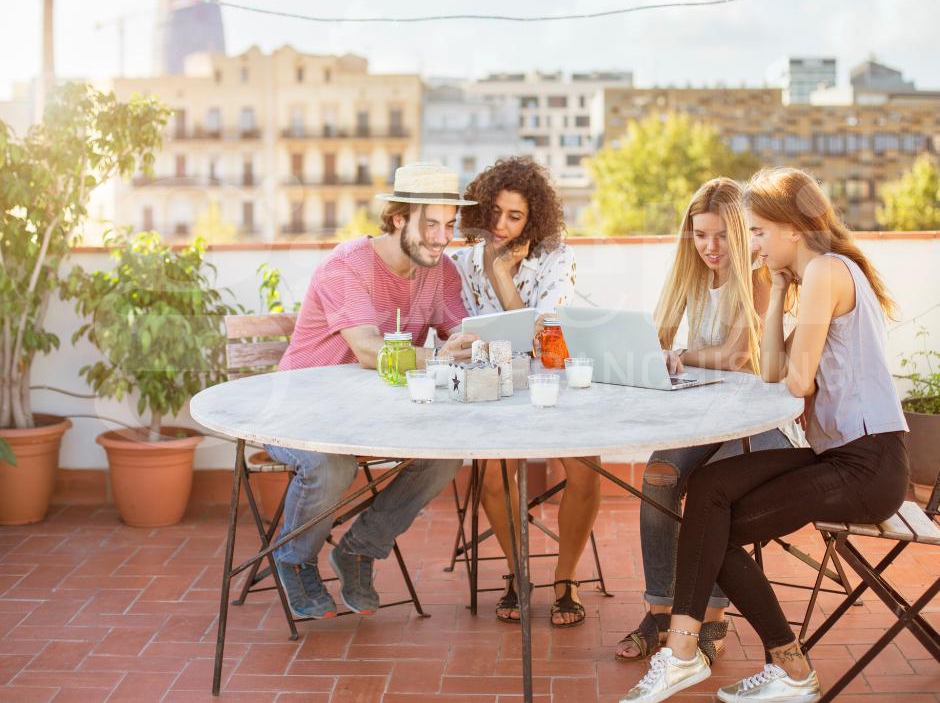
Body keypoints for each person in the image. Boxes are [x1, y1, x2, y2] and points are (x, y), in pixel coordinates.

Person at [621, 167, 910, 702]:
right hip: (836, 457)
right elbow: (774, 370)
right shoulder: (812, 277)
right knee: (709, 492)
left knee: (714, 528)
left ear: (792, 227)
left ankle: (761, 665)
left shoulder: (827, 271)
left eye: (757, 232)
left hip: (869, 467)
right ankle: (692, 655)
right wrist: (777, 289)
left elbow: (795, 382)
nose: (748, 244)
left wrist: (782, 292)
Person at [268, 162, 479, 620]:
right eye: (430, 225)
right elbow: (367, 349)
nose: (442, 238)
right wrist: (444, 357)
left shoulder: (438, 271)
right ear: (399, 218)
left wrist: (473, 338)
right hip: (299, 409)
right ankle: (292, 557)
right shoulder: (348, 267)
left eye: (449, 225)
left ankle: (359, 549)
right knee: (331, 464)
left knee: (444, 455)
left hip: (372, 415)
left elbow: (458, 326)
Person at [616, 177, 796, 665]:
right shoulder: (690, 274)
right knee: (659, 474)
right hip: (709, 413)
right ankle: (659, 610)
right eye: (700, 235)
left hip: (764, 423)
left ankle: (713, 616)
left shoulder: (759, 276)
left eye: (720, 235)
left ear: (739, 234)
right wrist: (648, 354)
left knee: (710, 491)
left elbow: (737, 356)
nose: (710, 247)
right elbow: (654, 340)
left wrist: (678, 354)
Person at [451, 156, 599, 628]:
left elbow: (545, 339)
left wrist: (501, 279)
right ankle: (518, 572)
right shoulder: (462, 262)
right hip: (496, 385)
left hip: (555, 381)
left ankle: (565, 578)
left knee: (586, 469)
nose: (500, 225)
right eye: (493, 212)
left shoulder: (557, 257)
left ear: (532, 217)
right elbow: (465, 335)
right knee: (492, 478)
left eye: (514, 216)